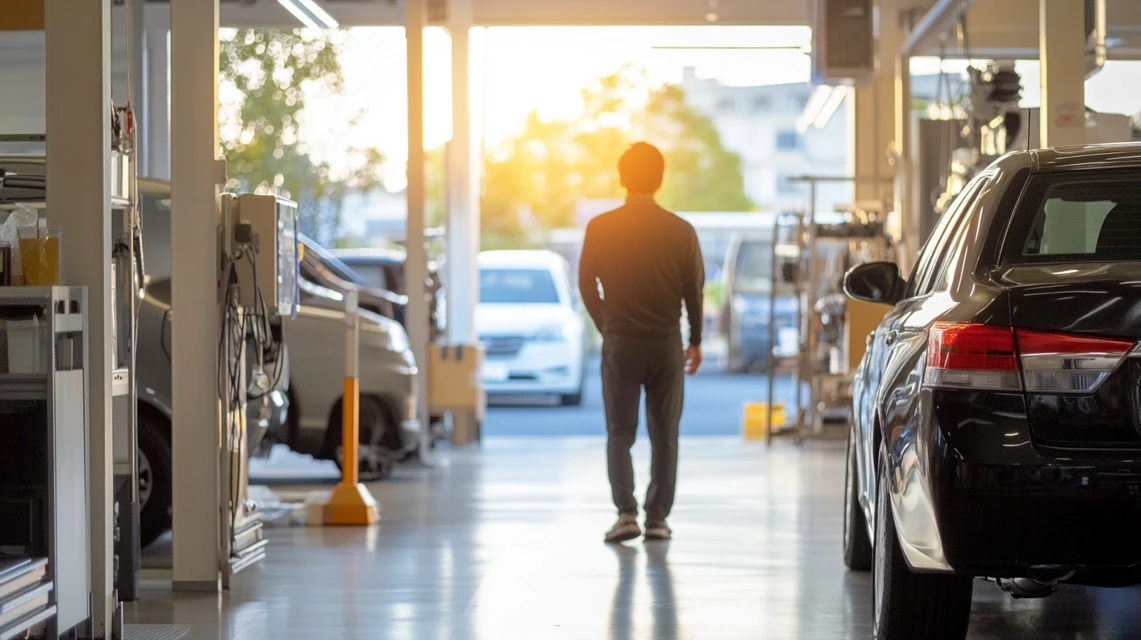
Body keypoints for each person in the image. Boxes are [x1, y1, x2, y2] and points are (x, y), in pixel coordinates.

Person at [578, 142, 705, 544]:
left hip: (620, 343)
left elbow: (586, 283)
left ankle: (626, 514)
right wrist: (695, 340)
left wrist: (607, 324)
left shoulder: (600, 227)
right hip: (667, 344)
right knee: (665, 434)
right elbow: (694, 291)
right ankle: (657, 520)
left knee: (620, 433)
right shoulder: (680, 230)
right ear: (660, 178)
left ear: (621, 177)